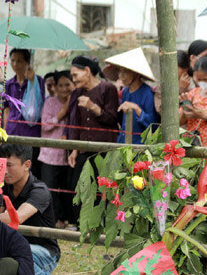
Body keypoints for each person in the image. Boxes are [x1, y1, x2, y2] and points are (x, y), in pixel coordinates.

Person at [0, 144, 61, 275]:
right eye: (1, 165)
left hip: (44, 253)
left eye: (10, 165)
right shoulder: (4, 187)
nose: (4, 171)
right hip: (15, 246)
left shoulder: (39, 190)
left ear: (27, 165)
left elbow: (15, 218)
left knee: (11, 249)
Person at [65, 56, 120, 193]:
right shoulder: (78, 92)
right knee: (78, 189)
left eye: (75, 75)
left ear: (87, 71)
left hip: (104, 151)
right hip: (84, 150)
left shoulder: (108, 88)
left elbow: (113, 120)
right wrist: (74, 149)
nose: (74, 79)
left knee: (101, 192)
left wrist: (93, 107)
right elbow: (77, 123)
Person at [103, 48, 160, 144]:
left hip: (140, 146)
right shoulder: (125, 92)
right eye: (120, 71)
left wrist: (137, 109)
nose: (121, 76)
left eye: (125, 72)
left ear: (136, 74)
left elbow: (153, 125)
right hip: (124, 143)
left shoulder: (148, 93)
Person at [39, 71, 74, 228]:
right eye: (60, 85)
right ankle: (51, 220)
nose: (64, 88)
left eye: (67, 84)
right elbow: (45, 126)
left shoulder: (76, 102)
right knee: (50, 189)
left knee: (65, 191)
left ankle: (64, 220)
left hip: (68, 156)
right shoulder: (50, 102)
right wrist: (61, 114)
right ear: (55, 87)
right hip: (50, 154)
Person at [3, 49, 45, 152]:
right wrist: (4, 130)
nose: (15, 64)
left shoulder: (38, 81)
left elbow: (40, 104)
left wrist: (32, 81)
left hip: (30, 132)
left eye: (19, 61)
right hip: (12, 130)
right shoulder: (9, 84)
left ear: (27, 62)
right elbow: (7, 109)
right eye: (12, 61)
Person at [180, 56, 207, 142]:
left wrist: (203, 115)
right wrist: (186, 111)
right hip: (193, 145)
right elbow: (179, 122)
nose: (202, 83)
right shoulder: (193, 93)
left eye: (205, 79)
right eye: (198, 79)